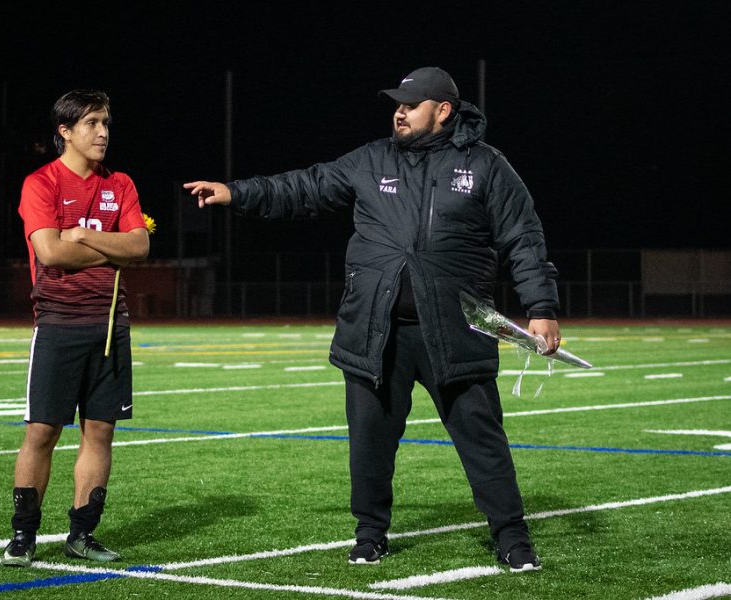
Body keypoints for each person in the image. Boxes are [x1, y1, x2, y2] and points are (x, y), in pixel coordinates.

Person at [184, 67, 560, 572]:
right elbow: (306, 186)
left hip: (454, 331)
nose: (399, 111)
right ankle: (369, 534)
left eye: (411, 103)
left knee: (482, 442)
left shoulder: (487, 166)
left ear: (443, 110)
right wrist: (236, 192)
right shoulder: (371, 159)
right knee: (369, 446)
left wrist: (541, 309)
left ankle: (512, 539)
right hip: (374, 332)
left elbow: (524, 238)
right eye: (396, 103)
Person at [1, 89, 150, 567]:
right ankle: (23, 536)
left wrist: (85, 235)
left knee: (100, 431)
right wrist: (113, 246)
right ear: (65, 131)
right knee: (42, 431)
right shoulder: (40, 183)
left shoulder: (121, 183)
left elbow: (141, 247)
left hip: (111, 323)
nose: (103, 132)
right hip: (59, 322)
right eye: (91, 123)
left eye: (106, 122)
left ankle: (81, 535)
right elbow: (50, 252)